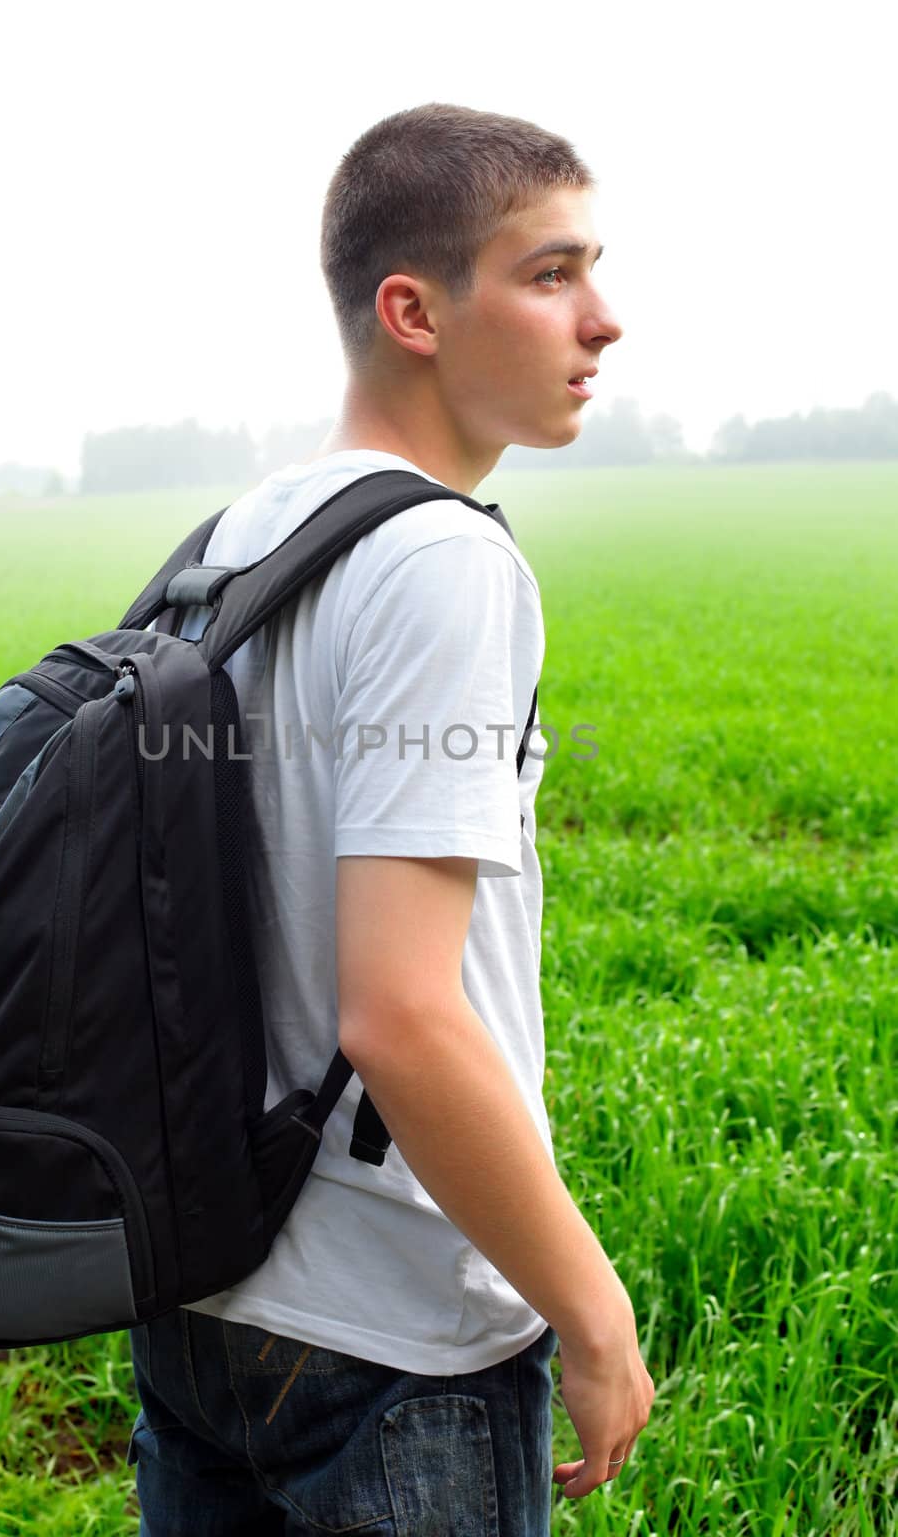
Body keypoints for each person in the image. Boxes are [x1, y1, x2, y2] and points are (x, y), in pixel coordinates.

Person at [127, 101, 655, 1536]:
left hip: (203, 1292)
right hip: (394, 1333)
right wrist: (589, 1309)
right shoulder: (441, 563)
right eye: (551, 274)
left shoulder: (227, 546)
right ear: (414, 311)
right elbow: (401, 1012)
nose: (602, 320)